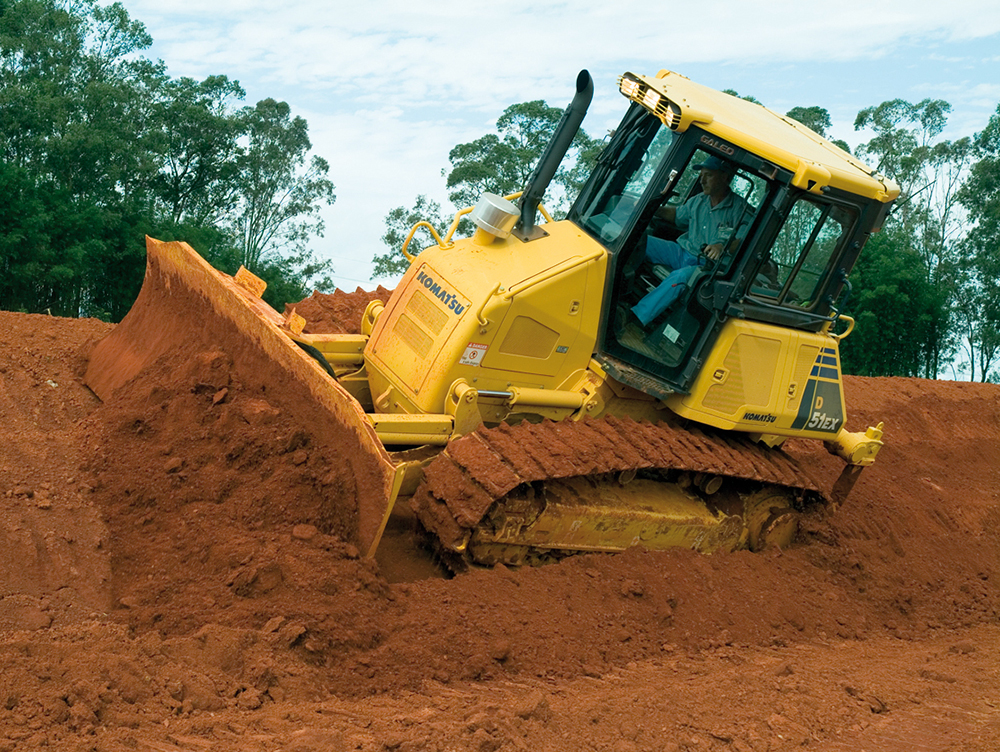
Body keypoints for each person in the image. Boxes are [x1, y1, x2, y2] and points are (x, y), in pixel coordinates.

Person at [629, 155, 749, 327]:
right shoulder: (698, 200)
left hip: (708, 267)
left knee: (680, 277)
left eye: (708, 175)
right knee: (639, 241)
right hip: (681, 252)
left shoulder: (740, 209)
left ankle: (636, 319)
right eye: (701, 175)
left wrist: (722, 246)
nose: (702, 180)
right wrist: (653, 208)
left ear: (725, 177)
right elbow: (678, 215)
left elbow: (743, 240)